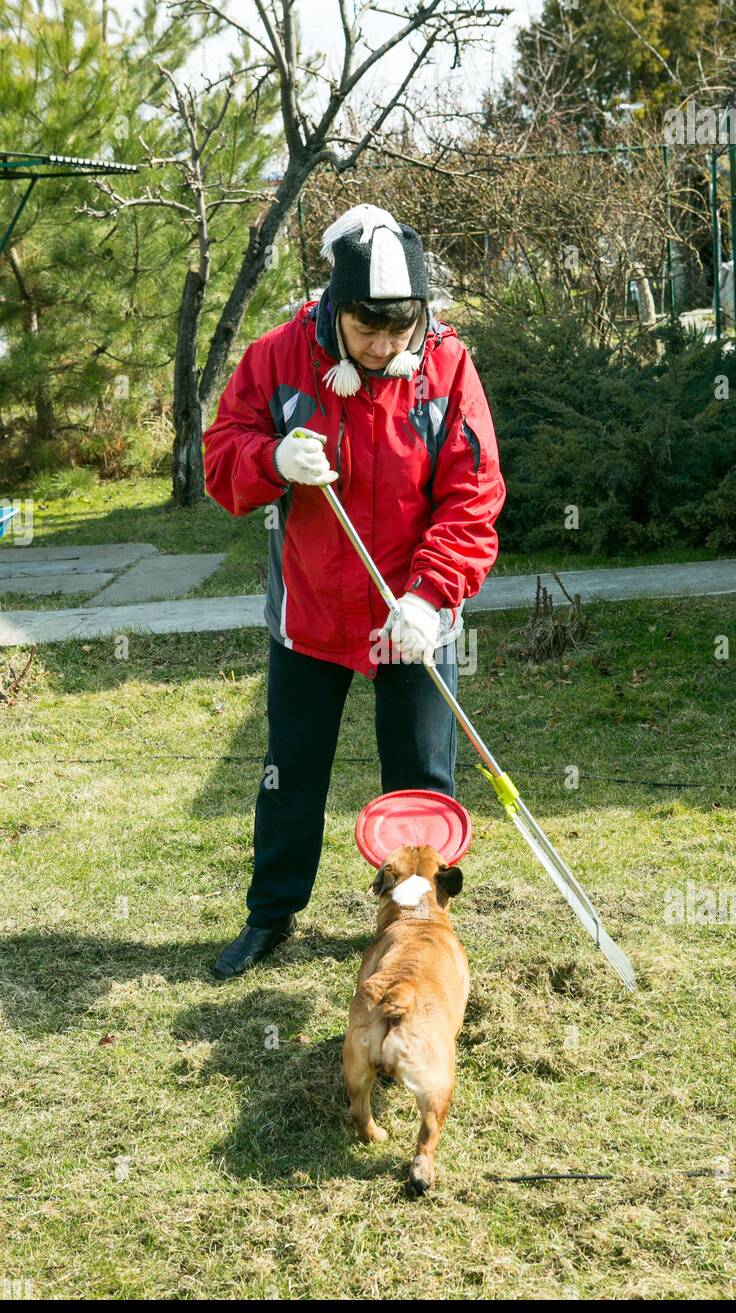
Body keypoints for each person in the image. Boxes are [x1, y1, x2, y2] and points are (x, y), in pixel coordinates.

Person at [202, 203, 506, 980]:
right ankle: (271, 916)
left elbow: (472, 498)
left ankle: (417, 931)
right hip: (312, 615)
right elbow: (221, 462)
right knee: (291, 773)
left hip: (414, 618)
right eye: (366, 331)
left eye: (398, 332)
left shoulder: (448, 367)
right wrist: (272, 459)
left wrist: (432, 598)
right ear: (334, 311)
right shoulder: (277, 359)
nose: (382, 348)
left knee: (420, 786)